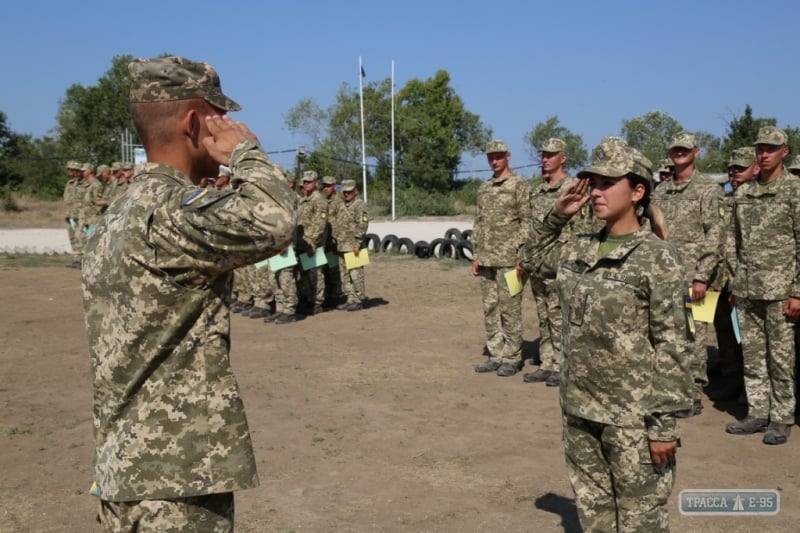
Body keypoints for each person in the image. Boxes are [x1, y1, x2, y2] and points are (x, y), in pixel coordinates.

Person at [81, 55, 296, 531]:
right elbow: (277, 220)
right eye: (219, 116)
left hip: (127, 471)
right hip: (175, 485)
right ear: (195, 122)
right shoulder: (174, 211)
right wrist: (247, 154)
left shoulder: (119, 212)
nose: (230, 126)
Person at [523, 139, 692, 532]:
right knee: (596, 518)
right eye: (592, 182)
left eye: (606, 183)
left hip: (632, 420)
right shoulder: (578, 249)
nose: (595, 191)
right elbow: (529, 260)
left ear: (637, 191)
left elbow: (673, 345)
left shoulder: (658, 258)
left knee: (640, 522)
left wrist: (664, 426)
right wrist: (556, 216)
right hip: (580, 409)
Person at [726, 126, 799, 445]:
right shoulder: (743, 193)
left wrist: (797, 290)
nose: (764, 154)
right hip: (747, 289)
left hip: (781, 290)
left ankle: (782, 417)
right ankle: (758, 412)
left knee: (781, 357)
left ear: (784, 151)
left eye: (771, 148)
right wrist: (734, 281)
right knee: (753, 355)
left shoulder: (795, 190)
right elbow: (733, 240)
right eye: (760, 149)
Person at [652, 131, 723, 417]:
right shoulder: (661, 192)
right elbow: (652, 233)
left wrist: (702, 276)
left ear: (696, 152)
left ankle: (693, 393)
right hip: (665, 278)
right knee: (668, 336)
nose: (679, 154)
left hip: (695, 279)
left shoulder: (708, 189)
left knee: (694, 337)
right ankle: (672, 389)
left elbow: (715, 236)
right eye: (675, 150)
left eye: (684, 150)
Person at [523, 137, 592, 387]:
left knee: (561, 315)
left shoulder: (574, 187)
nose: (545, 158)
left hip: (561, 262)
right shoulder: (538, 190)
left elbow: (582, 228)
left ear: (563, 158)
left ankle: (563, 365)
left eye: (551, 154)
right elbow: (532, 226)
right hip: (539, 263)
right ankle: (547, 362)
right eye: (543, 154)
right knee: (543, 314)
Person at [472, 140, 533, 377]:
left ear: (508, 156)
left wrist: (521, 255)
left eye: (498, 157)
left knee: (510, 309)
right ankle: (496, 354)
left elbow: (526, 221)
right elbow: (478, 222)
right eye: (490, 157)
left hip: (510, 259)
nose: (494, 161)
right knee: (490, 308)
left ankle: (512, 357)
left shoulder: (519, 185)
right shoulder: (484, 188)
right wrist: (476, 255)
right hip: (487, 258)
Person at [707, 147, 758, 402]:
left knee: (748, 337)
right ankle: (732, 379)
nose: (733, 172)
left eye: (740, 168)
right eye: (731, 168)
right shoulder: (725, 201)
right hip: (720, 278)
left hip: (745, 281)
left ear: (755, 168)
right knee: (724, 331)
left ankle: (751, 388)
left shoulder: (757, 201)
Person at [333, 179, 369, 311]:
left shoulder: (360, 205)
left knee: (355, 274)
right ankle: (350, 298)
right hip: (342, 245)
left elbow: (363, 225)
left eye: (349, 192)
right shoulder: (342, 205)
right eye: (345, 192)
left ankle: (359, 299)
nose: (346, 194)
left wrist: (358, 243)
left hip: (354, 246)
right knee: (345, 275)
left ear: (355, 192)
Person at [296, 170, 328, 315]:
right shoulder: (303, 200)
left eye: (309, 181)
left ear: (316, 183)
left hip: (313, 244)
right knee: (305, 274)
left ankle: (317, 302)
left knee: (315, 274)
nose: (306, 184)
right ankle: (308, 299)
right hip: (302, 243)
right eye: (305, 182)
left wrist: (312, 243)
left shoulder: (319, 200)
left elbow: (320, 224)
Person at [321, 175, 344, 307]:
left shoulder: (338, 203)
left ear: (334, 186)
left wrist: (337, 240)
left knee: (334, 270)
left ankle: (336, 296)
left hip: (334, 241)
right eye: (324, 186)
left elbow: (341, 224)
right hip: (325, 241)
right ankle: (328, 295)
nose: (326, 188)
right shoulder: (324, 201)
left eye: (328, 186)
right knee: (325, 270)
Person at [62, 160, 84, 268]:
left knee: (81, 237)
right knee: (73, 237)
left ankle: (83, 260)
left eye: (71, 170)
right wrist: (67, 213)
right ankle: (76, 259)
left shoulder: (84, 183)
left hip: (81, 215)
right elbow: (67, 199)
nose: (69, 172)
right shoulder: (70, 183)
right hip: (70, 215)